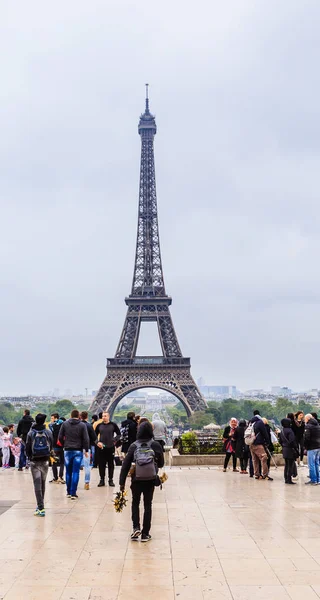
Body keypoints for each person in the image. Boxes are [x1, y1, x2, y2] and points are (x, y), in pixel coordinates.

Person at [119, 420, 164, 542]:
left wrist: (121, 483)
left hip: (136, 479)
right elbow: (161, 463)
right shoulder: (155, 445)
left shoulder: (134, 445)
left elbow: (125, 465)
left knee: (135, 503)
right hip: (150, 479)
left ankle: (136, 528)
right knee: (148, 505)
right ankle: (145, 533)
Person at [58, 409, 90, 499]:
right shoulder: (82, 425)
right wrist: (86, 450)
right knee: (75, 472)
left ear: (71, 415)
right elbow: (86, 439)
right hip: (78, 450)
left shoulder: (64, 424)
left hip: (67, 450)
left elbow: (60, 437)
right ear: (78, 416)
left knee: (68, 472)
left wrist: (64, 445)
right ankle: (73, 493)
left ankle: (68, 491)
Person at [26, 413, 53, 516]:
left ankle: (40, 508)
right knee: (43, 483)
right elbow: (51, 445)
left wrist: (29, 457)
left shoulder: (31, 433)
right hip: (45, 460)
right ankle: (40, 505)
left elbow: (27, 447)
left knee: (37, 484)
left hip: (34, 461)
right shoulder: (48, 432)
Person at [95, 412, 120, 487]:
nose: (104, 417)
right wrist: (97, 442)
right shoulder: (99, 425)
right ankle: (102, 479)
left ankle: (110, 480)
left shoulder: (113, 425)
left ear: (108, 417)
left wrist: (114, 440)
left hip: (110, 447)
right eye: (103, 416)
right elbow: (94, 435)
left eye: (105, 416)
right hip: (102, 447)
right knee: (101, 464)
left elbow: (119, 434)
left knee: (111, 464)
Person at [250, 414, 273, 481]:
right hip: (258, 443)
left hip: (251, 444)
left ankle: (257, 475)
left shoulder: (251, 423)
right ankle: (265, 475)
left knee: (255, 459)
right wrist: (267, 442)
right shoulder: (260, 423)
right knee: (264, 457)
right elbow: (264, 433)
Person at [279, 418, 299, 484]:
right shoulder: (290, 431)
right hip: (290, 449)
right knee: (291, 465)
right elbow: (292, 441)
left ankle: (286, 478)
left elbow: (280, 441)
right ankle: (289, 479)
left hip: (285, 449)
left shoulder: (282, 431)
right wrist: (295, 448)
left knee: (287, 465)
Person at [80, 411, 97, 490]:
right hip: (87, 448)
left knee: (75, 467)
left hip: (77, 448)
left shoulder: (78, 425)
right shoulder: (89, 425)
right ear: (87, 417)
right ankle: (87, 483)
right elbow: (94, 437)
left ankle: (73, 483)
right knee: (87, 467)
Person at [49, 413, 65, 484]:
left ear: (55, 418)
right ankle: (60, 477)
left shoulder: (51, 426)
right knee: (62, 462)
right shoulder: (64, 425)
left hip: (54, 446)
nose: (51, 420)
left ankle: (55, 478)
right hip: (62, 445)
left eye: (52, 418)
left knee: (54, 462)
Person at [304, 413, 320, 485]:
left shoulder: (308, 426)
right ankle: (318, 479)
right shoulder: (318, 425)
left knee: (311, 464)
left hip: (311, 447)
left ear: (308, 419)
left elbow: (307, 438)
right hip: (318, 446)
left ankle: (313, 480)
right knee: (317, 463)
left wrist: (306, 447)